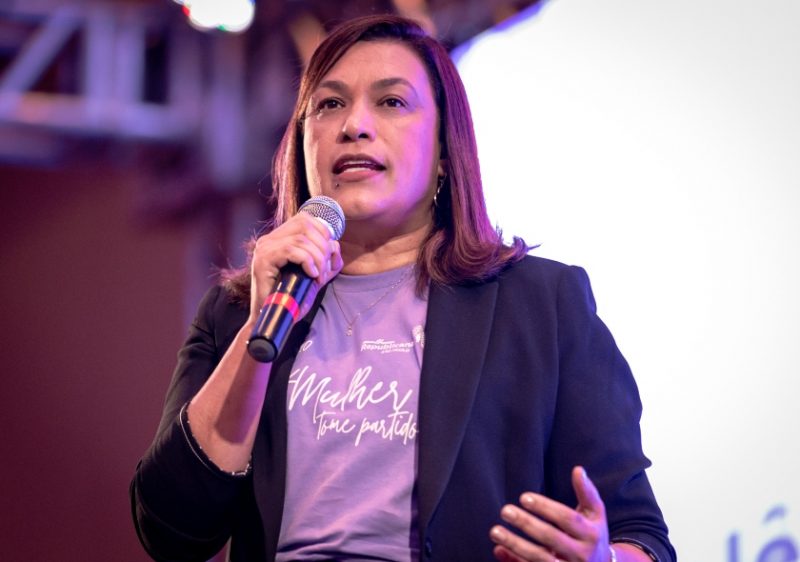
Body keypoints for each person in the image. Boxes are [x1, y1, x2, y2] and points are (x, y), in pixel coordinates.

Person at [131, 14, 676, 562]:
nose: (354, 125)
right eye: (329, 104)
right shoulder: (237, 313)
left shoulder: (542, 305)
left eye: (391, 102)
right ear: (302, 145)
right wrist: (257, 329)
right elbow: (170, 530)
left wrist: (601, 558)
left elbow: (641, 535)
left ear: (444, 153)